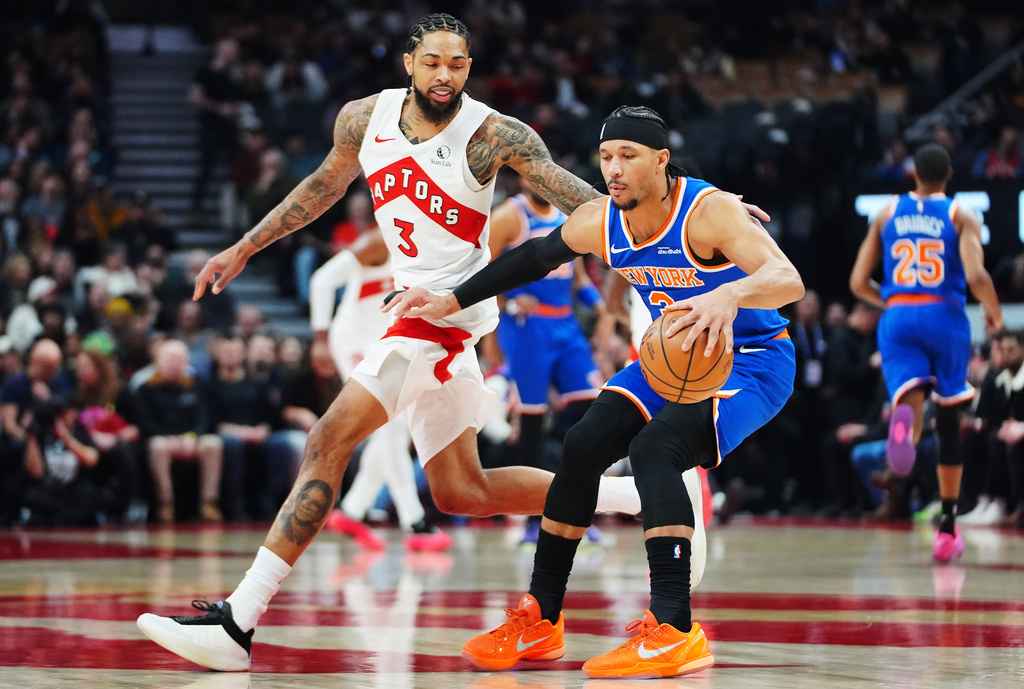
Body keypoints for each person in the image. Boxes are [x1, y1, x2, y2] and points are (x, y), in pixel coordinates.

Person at [136, 13, 641, 672]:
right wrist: (245, 246)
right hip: (422, 319)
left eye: (457, 63)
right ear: (409, 62)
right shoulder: (363, 118)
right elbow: (322, 186)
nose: (445, 75)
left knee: (327, 440)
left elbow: (585, 200)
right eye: (432, 62)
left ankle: (239, 621)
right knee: (462, 492)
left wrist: (691, 214)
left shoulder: (492, 134)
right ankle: (640, 494)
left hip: (443, 319)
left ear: (469, 66)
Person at [386, 105, 803, 679]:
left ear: (661, 160)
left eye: (628, 155)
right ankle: (541, 618)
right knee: (582, 445)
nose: (614, 168)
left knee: (655, 450)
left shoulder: (708, 212)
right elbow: (532, 259)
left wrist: (728, 296)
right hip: (670, 356)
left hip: (749, 360)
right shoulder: (601, 221)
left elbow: (788, 279)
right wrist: (450, 300)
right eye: (606, 157)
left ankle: (675, 630)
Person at [850, 142, 1003, 562]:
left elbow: (858, 281)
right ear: (949, 175)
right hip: (944, 313)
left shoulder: (887, 213)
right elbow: (976, 274)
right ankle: (948, 529)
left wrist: (893, 301)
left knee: (910, 398)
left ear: (913, 175)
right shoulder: (960, 214)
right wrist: (993, 314)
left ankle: (906, 430)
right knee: (949, 419)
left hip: (898, 315)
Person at [309, 217, 452, 551]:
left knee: (395, 430)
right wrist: (320, 339)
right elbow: (321, 281)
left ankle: (352, 509)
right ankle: (414, 521)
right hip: (353, 339)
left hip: (385, 341)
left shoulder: (432, 250)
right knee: (389, 426)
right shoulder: (378, 241)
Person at [487, 178, 610, 548]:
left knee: (597, 413)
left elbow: (579, 277)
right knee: (531, 424)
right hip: (527, 327)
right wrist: (507, 305)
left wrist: (602, 309)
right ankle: (533, 519)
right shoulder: (509, 216)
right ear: (523, 177)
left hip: (565, 325)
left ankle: (577, 510)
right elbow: (481, 274)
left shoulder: (567, 215)